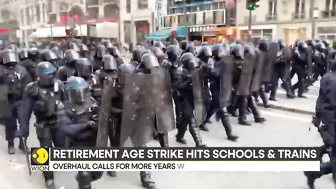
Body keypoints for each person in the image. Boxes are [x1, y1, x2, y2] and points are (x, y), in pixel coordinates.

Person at [17, 61, 67, 189]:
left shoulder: (60, 85)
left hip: (59, 122)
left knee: (61, 147)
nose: (50, 77)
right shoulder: (32, 89)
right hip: (42, 124)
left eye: (52, 74)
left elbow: (68, 103)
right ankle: (48, 178)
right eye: (47, 75)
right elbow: (25, 110)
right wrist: (23, 127)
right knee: (44, 150)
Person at [59, 76, 103, 189]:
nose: (80, 95)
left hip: (94, 143)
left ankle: (83, 178)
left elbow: (102, 118)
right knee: (85, 174)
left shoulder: (93, 102)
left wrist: (99, 121)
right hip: (78, 144)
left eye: (82, 91)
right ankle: (83, 180)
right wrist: (86, 125)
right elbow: (66, 129)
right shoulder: (65, 108)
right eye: (76, 92)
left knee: (98, 173)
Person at [0, 49, 32, 154]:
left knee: (24, 123)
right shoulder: (0, 69)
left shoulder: (21, 69)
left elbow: (28, 84)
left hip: (20, 100)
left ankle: (23, 143)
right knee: (9, 123)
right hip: (6, 101)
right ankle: (11, 144)